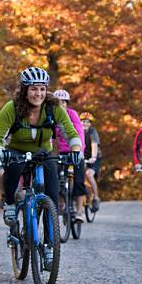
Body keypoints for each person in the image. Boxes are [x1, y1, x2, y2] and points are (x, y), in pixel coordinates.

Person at [0, 67, 82, 257]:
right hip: (17, 151)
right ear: (24, 90)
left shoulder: (53, 107)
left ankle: (49, 245)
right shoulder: (12, 108)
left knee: (52, 197)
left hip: (43, 153)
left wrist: (75, 151)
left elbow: (71, 133)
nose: (38, 93)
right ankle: (9, 204)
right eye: (33, 89)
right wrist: (0, 151)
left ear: (46, 89)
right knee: (12, 168)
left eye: (41, 89)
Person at [53, 89, 86, 222]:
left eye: (64, 102)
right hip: (61, 152)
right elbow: (49, 136)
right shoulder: (52, 116)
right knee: (56, 179)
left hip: (76, 150)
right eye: (58, 102)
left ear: (67, 103)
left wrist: (80, 151)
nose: (61, 105)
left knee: (78, 181)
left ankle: (79, 211)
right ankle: (62, 204)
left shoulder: (72, 114)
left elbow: (79, 132)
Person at [80, 112, 101, 211]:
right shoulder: (77, 130)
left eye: (88, 122)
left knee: (89, 174)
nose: (85, 124)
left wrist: (93, 157)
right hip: (82, 157)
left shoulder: (92, 132)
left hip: (94, 157)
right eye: (83, 121)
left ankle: (96, 197)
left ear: (91, 124)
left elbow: (94, 145)